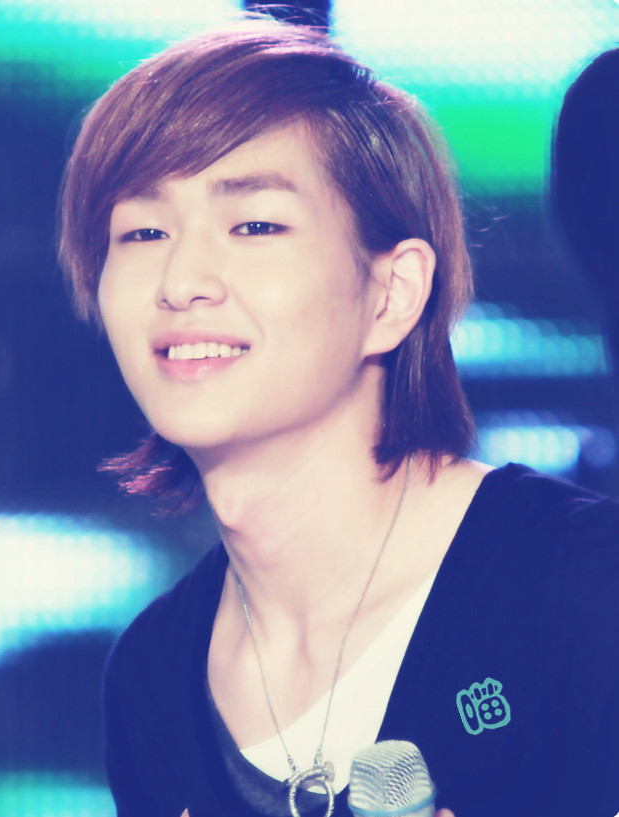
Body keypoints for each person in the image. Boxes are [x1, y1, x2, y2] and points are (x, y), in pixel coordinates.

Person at [58, 18, 619, 817]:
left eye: (254, 224)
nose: (180, 281)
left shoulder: (583, 591)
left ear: (391, 294)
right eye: (142, 231)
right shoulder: (151, 674)